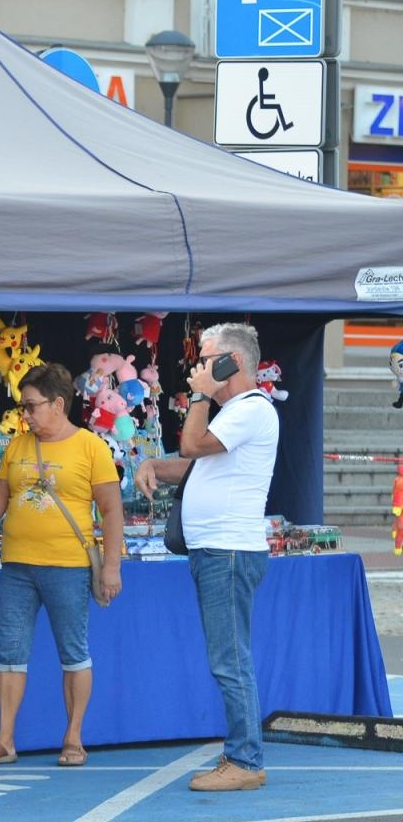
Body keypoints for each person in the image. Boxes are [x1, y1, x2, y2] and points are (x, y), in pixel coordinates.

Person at [0, 362, 124, 768]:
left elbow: (112, 509)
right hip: (17, 567)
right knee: (9, 654)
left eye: (31, 406)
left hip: (67, 566)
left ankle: (73, 737)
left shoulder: (90, 447)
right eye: (23, 407)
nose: (24, 415)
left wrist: (111, 566)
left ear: (58, 404)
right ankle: (5, 740)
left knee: (73, 653)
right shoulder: (18, 445)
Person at [136, 323, 279, 792]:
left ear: (231, 363)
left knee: (230, 659)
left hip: (227, 551)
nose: (198, 367)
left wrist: (199, 396)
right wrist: (153, 464)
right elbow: (197, 464)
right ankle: (240, 753)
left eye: (206, 359)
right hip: (218, 550)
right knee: (228, 656)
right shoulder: (237, 412)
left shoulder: (249, 409)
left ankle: (245, 759)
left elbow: (192, 445)